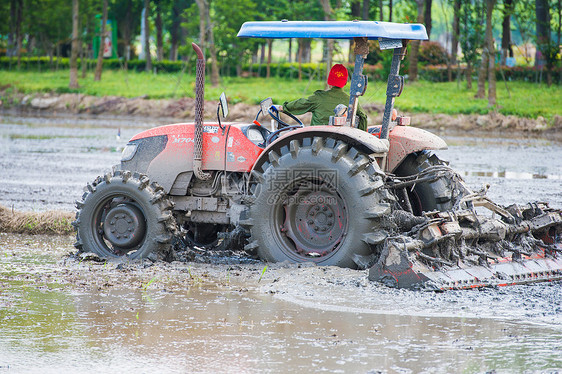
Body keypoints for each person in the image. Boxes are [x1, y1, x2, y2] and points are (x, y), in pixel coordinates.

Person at [280, 64, 368, 131]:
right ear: (345, 83)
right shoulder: (351, 101)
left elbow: (300, 104)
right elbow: (363, 117)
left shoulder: (318, 98)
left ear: (329, 82)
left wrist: (284, 107)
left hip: (317, 141)